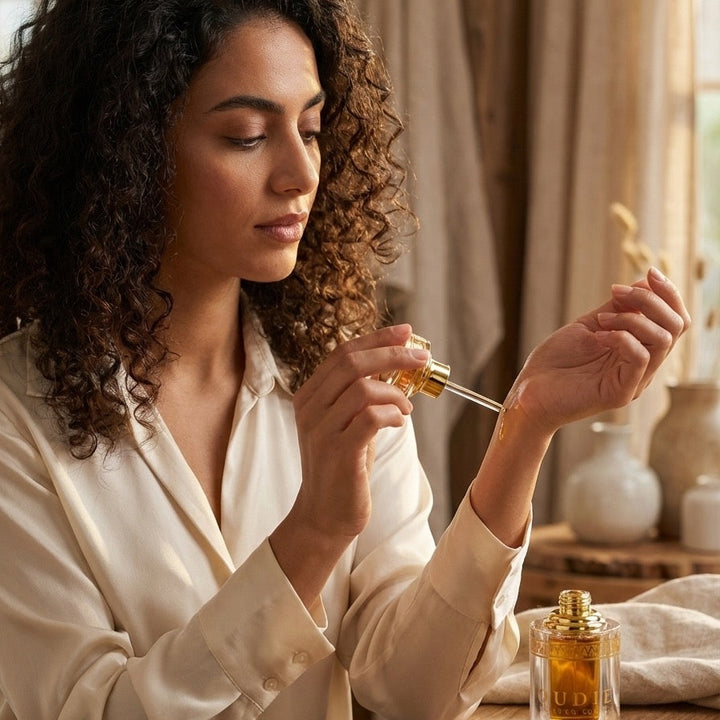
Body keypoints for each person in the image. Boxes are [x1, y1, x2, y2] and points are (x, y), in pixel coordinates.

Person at [0, 1, 690, 719]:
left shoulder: (337, 382)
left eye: (310, 130)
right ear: (127, 151)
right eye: (246, 135)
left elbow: (414, 691)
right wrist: (313, 535)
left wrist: (525, 427)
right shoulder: (13, 416)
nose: (300, 173)